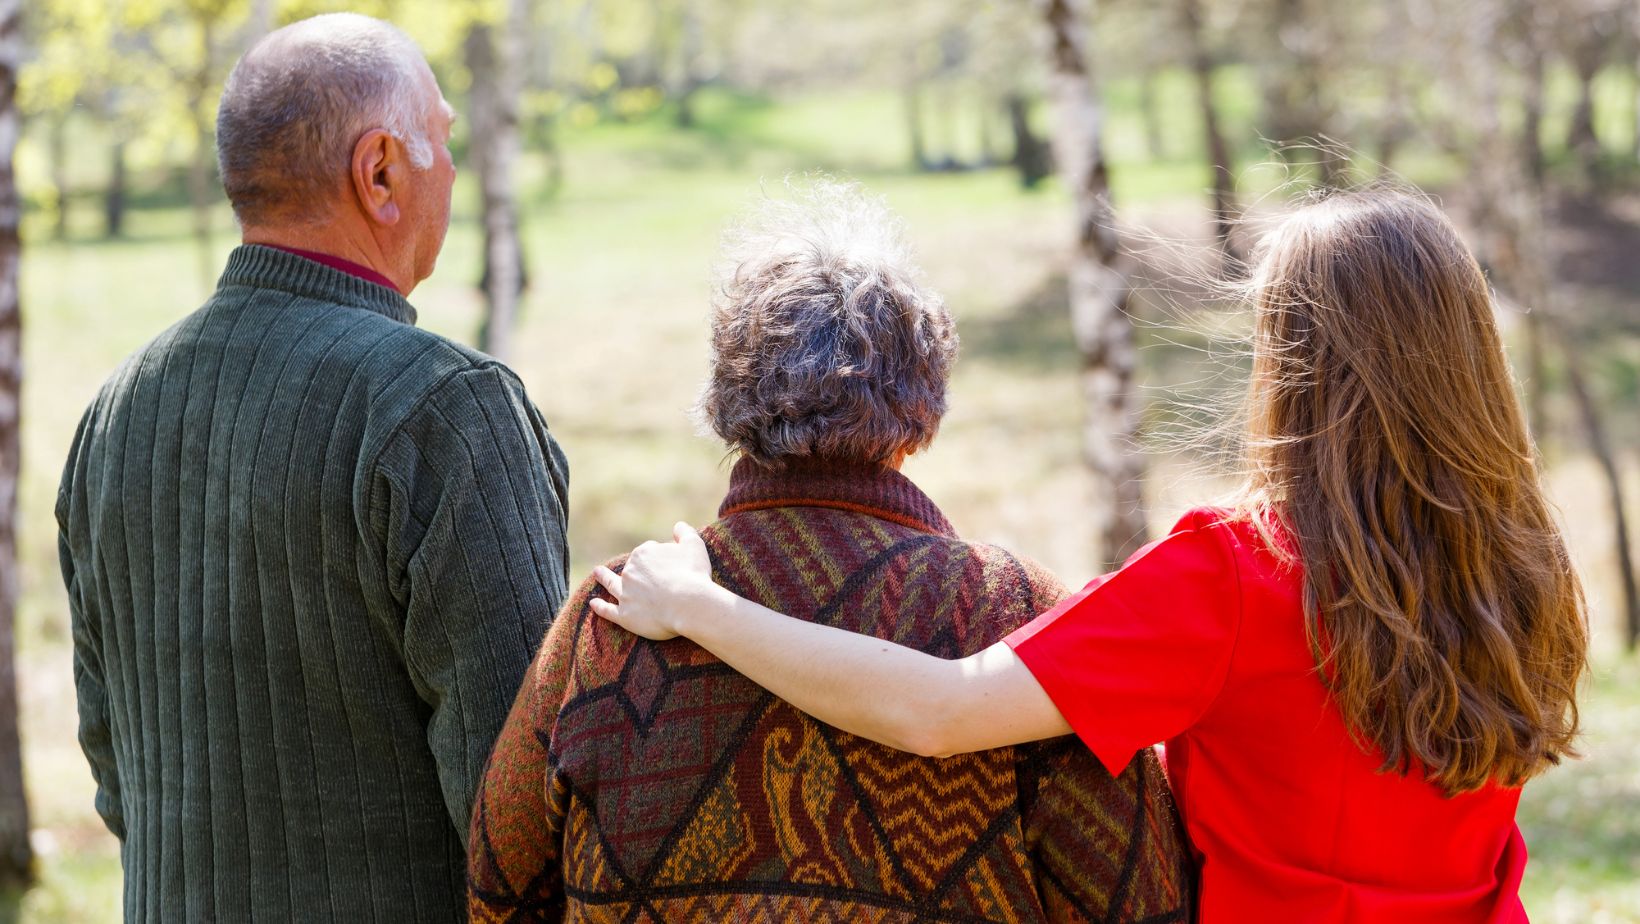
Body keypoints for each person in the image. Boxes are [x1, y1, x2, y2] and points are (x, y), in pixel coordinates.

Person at [590, 189, 1590, 923]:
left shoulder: (1238, 572)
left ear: (1298, 362)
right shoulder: (1525, 564)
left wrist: (703, 608)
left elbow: (937, 711)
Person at [467, 182, 1194, 922]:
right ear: (924, 405)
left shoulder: (617, 613)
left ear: (727, 398)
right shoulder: (1012, 615)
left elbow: (502, 884)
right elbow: (1138, 894)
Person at [55, 14, 570, 921]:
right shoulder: (444, 408)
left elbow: (116, 777)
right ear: (378, 173)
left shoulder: (112, 414)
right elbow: (524, 813)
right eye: (442, 142)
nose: (456, 171)